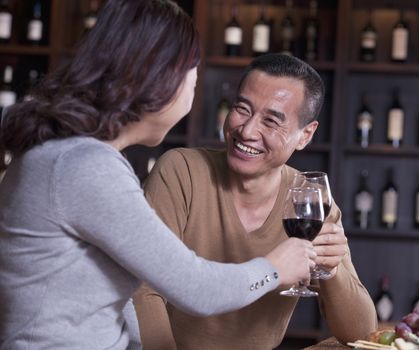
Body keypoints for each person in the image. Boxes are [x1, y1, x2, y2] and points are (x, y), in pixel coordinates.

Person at [0, 2, 317, 349]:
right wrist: (275, 268)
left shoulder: (74, 154)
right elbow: (196, 288)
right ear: (159, 79)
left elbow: (117, 305)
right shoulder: (85, 167)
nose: (193, 91)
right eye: (192, 75)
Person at [134, 53, 378, 350]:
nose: (247, 131)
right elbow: (144, 289)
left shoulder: (310, 200)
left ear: (305, 135)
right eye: (241, 109)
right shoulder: (181, 171)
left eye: (272, 121)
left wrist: (332, 270)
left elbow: (361, 333)